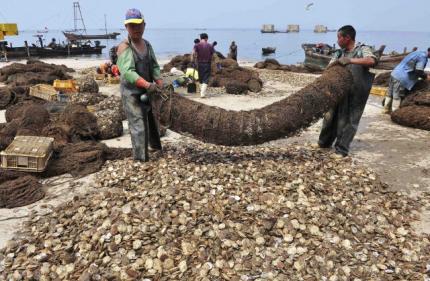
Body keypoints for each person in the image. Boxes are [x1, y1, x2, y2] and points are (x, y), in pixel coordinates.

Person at [318, 25, 377, 157]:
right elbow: (329, 68)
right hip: (337, 91)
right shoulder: (339, 53)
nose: (337, 40)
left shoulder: (362, 49)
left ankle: (341, 150)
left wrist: (350, 60)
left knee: (349, 121)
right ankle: (324, 143)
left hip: (356, 92)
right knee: (330, 118)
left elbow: (371, 60)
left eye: (339, 37)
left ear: (347, 38)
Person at [117, 8, 164, 162]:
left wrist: (159, 82)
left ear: (144, 25)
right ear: (126, 27)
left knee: (152, 120)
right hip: (132, 93)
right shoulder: (125, 47)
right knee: (138, 124)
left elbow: (155, 66)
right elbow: (128, 72)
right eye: (131, 26)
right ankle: (140, 159)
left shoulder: (147, 45)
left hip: (148, 91)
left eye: (138, 25)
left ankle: (155, 148)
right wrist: (146, 84)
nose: (136, 29)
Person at [383, 48, 430, 113]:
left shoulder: (418, 52)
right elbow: (419, 70)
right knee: (397, 96)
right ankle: (395, 113)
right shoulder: (423, 56)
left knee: (390, 94)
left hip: (395, 73)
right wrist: (426, 77)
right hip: (401, 77)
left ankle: (385, 110)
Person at [193, 33, 214, 98]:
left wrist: (193, 62)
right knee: (206, 79)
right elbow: (214, 55)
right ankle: (202, 93)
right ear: (206, 38)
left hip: (199, 64)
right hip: (207, 64)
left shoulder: (196, 45)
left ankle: (201, 92)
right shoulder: (210, 45)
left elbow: (193, 54)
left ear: (200, 38)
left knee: (201, 78)